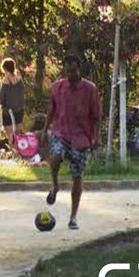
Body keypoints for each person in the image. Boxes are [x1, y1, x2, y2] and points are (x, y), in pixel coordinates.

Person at [45, 53, 101, 230]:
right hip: (61, 132)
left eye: (74, 71)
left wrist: (96, 137)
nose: (71, 75)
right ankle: (55, 186)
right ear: (64, 70)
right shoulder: (57, 87)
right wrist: (44, 129)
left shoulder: (90, 89)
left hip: (81, 137)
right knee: (55, 157)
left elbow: (97, 115)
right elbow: (51, 110)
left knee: (77, 176)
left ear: (79, 69)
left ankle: (73, 217)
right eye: (68, 71)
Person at [0, 58, 25, 142]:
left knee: (10, 135)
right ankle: (23, 148)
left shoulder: (5, 81)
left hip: (8, 111)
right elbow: (22, 93)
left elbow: (1, 96)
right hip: (19, 109)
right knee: (19, 132)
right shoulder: (19, 79)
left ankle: (13, 150)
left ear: (5, 69)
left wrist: (0, 103)